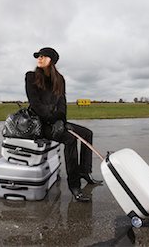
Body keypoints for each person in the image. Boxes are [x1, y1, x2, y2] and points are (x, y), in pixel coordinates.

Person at [25, 47, 103, 202]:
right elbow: (35, 104)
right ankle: (74, 186)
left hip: (57, 121)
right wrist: (54, 120)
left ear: (51, 61)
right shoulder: (31, 77)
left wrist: (62, 121)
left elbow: (62, 103)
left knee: (87, 133)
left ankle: (84, 172)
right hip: (40, 124)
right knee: (70, 139)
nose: (39, 59)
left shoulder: (59, 79)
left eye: (43, 56)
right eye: (38, 57)